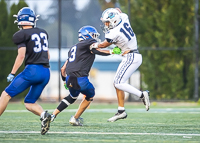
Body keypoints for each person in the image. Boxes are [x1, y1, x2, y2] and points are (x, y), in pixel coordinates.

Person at [50, 25, 121, 126]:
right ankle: (75, 118)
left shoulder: (73, 48)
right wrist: (112, 51)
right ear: (86, 36)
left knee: (72, 97)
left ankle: (53, 115)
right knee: (90, 94)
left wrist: (65, 81)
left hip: (70, 78)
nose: (94, 38)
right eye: (93, 35)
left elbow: (63, 68)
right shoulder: (88, 43)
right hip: (81, 79)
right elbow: (99, 49)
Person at [90, 8, 150, 122]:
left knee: (118, 82)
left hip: (131, 56)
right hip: (131, 55)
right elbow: (118, 10)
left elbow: (103, 45)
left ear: (114, 21)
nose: (106, 24)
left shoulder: (114, 32)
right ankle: (121, 111)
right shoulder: (124, 18)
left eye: (107, 22)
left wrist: (93, 45)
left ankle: (142, 94)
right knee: (117, 83)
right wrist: (113, 11)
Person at [0, 7, 51, 135]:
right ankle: (43, 114)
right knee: (29, 102)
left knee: (6, 95)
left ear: (20, 20)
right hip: (45, 72)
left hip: (32, 70)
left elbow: (21, 55)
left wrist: (12, 73)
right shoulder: (43, 32)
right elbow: (48, 55)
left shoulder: (20, 35)